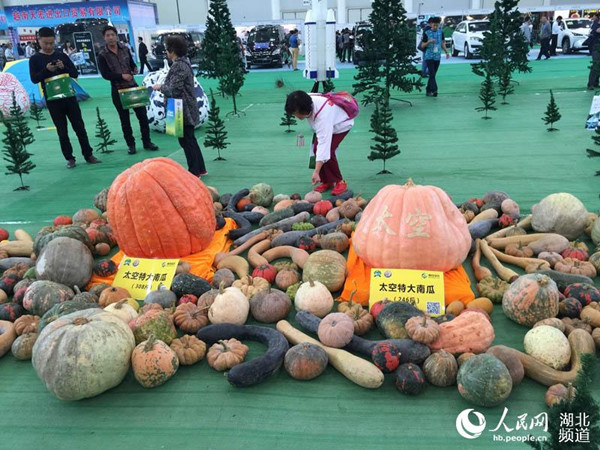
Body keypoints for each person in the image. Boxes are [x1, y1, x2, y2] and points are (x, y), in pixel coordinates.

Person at [29, 27, 99, 168]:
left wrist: (63, 68)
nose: (49, 46)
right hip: (53, 100)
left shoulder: (62, 55)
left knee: (79, 127)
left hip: (69, 97)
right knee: (62, 131)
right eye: (45, 43)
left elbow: (74, 73)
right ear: (39, 40)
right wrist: (46, 70)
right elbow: (34, 79)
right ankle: (70, 158)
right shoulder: (35, 59)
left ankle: (88, 154)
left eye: (51, 43)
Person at [98, 25, 158, 155]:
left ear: (116, 36)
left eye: (112, 35)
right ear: (104, 37)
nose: (110, 37)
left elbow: (131, 64)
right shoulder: (102, 55)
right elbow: (105, 74)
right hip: (118, 90)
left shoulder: (125, 49)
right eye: (108, 35)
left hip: (133, 86)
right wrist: (121, 76)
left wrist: (134, 69)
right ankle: (131, 145)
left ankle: (147, 142)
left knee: (142, 116)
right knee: (125, 120)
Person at [152, 36, 207, 178]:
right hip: (183, 107)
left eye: (167, 49)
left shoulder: (178, 66)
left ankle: (194, 171)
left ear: (173, 50)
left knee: (187, 141)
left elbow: (174, 90)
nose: (166, 52)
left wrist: (160, 87)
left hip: (181, 109)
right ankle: (200, 168)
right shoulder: (184, 63)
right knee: (190, 140)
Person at [285, 91, 353, 195]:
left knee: (328, 151)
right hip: (329, 122)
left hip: (341, 124)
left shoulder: (323, 116)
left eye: (295, 113)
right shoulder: (305, 99)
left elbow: (324, 146)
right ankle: (328, 181)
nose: (295, 115)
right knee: (317, 149)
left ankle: (340, 181)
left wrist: (316, 172)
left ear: (304, 110)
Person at [421, 16, 450, 97]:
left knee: (433, 75)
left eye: (437, 25)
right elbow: (422, 45)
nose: (435, 27)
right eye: (434, 25)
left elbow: (442, 43)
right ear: (431, 24)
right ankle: (434, 90)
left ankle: (428, 90)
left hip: (437, 56)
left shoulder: (441, 32)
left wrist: (446, 52)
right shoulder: (426, 32)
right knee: (432, 74)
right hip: (429, 56)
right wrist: (429, 42)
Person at [587, 13, 600, 90]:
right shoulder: (596, 24)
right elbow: (598, 30)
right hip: (596, 48)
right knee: (595, 65)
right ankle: (590, 84)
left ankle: (595, 83)